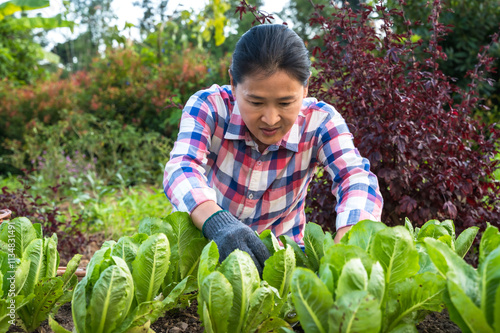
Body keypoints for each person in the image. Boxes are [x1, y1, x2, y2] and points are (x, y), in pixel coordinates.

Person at [163, 24, 383, 273]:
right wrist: (218, 222)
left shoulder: (321, 122)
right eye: (255, 102)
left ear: (306, 87)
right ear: (233, 84)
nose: (270, 119)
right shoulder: (210, 107)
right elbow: (182, 167)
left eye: (285, 103)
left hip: (281, 263)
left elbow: (355, 179)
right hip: (206, 255)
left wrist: (349, 243)